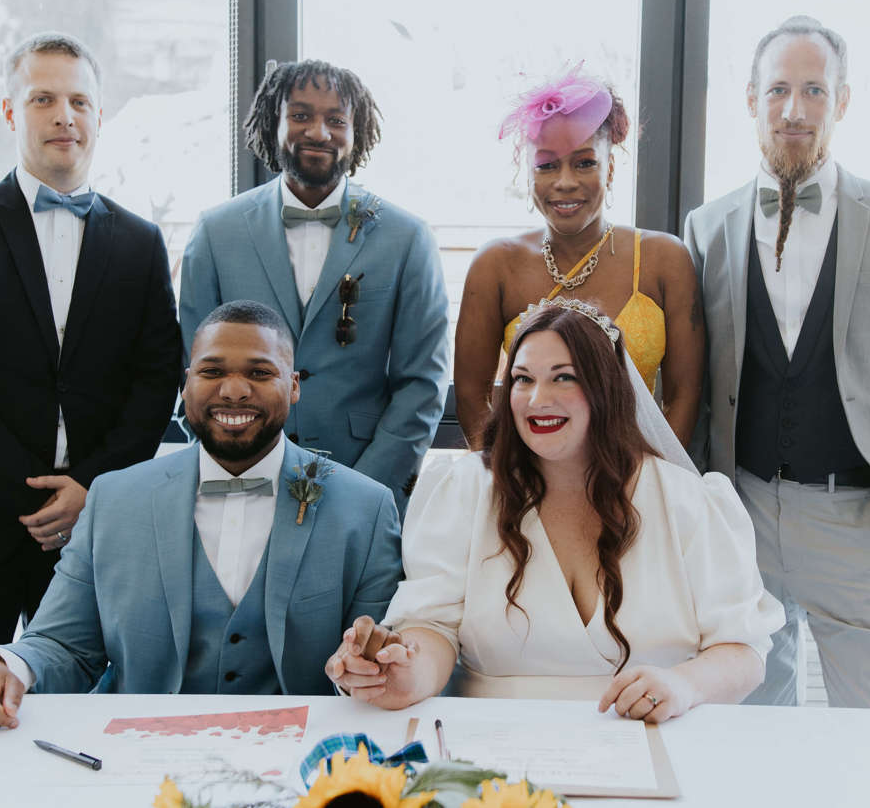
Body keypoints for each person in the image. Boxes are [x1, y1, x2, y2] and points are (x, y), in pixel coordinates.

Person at [0, 300, 405, 731]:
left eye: (260, 373)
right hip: (136, 755)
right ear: (186, 384)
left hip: (305, 757)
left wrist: (365, 666)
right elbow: (63, 644)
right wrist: (5, 667)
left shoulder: (365, 507)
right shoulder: (115, 499)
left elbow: (374, 655)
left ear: (294, 385)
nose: (235, 390)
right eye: (212, 370)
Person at [0, 31, 184, 701]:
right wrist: (34, 498)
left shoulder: (140, 243)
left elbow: (154, 381)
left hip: (90, 535)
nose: (64, 114)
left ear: (100, 116)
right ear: (9, 111)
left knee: (82, 724)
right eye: (43, 97)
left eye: (80, 100)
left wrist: (90, 488)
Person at [683, 15, 870, 709]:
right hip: (741, 515)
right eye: (778, 89)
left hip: (857, 522)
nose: (795, 109)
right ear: (751, 98)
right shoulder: (707, 227)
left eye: (814, 90)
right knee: (754, 738)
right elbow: (689, 384)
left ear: (841, 101)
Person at [324, 299, 781, 723]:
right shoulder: (464, 490)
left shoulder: (688, 501)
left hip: (652, 735)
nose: (538, 398)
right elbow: (432, 628)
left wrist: (683, 685)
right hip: (496, 745)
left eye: (564, 376)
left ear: (607, 387)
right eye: (522, 379)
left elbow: (742, 650)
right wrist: (398, 672)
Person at [180, 60, 448, 513]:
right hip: (237, 482)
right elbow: (189, 370)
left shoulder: (408, 238)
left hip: (365, 482)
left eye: (336, 119)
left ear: (357, 130)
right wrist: (228, 467)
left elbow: (423, 383)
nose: (319, 132)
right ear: (273, 122)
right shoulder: (214, 232)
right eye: (301, 115)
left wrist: (366, 492)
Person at [455, 68, 703, 448]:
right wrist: (512, 482)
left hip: (640, 488)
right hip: (529, 491)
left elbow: (684, 398)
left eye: (585, 162)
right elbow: (473, 399)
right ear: (529, 173)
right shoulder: (495, 265)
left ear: (611, 167)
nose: (565, 181)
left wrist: (651, 486)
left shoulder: (664, 260)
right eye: (547, 165)